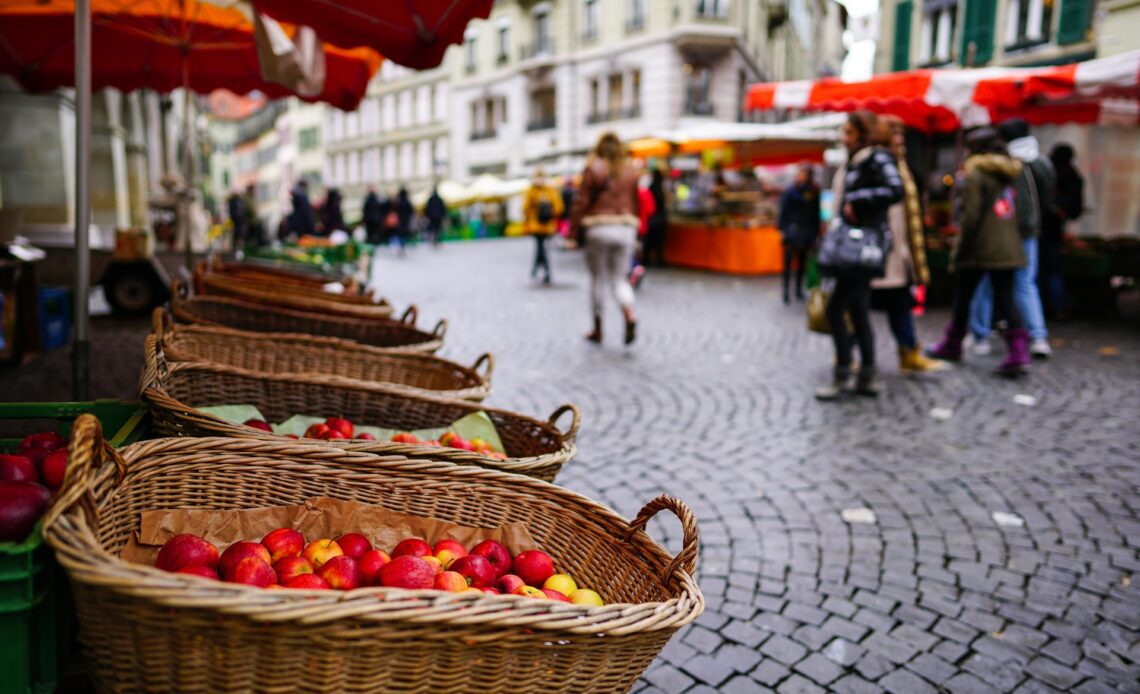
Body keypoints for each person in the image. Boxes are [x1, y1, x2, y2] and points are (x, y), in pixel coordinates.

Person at [816, 111, 904, 400]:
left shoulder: (875, 158)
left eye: (849, 133)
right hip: (856, 247)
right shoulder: (858, 160)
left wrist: (858, 199)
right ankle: (866, 374)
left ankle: (844, 374)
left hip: (860, 249)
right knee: (858, 311)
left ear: (863, 134)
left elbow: (895, 189)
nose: (844, 138)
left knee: (836, 310)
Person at [926, 128, 1029, 377]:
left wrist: (961, 246)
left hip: (980, 246)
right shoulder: (1008, 171)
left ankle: (952, 344)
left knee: (963, 297)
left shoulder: (974, 173)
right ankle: (1019, 351)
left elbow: (970, 216)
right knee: (1005, 299)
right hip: (1007, 244)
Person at [968, 118, 1056, 359]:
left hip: (1001, 231)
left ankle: (980, 335)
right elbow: (1049, 192)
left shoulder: (998, 163)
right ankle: (1038, 336)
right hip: (1030, 230)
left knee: (987, 282)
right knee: (1025, 283)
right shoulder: (1040, 161)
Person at [868, 116, 945, 375]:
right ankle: (849, 356)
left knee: (899, 303)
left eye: (901, 134)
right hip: (876, 250)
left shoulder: (897, 165)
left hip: (896, 250)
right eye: (894, 134)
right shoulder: (873, 162)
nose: (900, 139)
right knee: (859, 306)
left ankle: (908, 353)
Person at [569, 131, 641, 345]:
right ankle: (629, 314)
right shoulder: (631, 170)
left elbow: (581, 201)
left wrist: (573, 233)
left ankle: (598, 328)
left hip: (598, 227)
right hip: (625, 227)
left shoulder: (594, 168)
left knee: (597, 278)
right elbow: (636, 202)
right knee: (620, 278)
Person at [1040, 143, 1084, 320]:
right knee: (1052, 270)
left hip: (1043, 228)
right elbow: (1075, 208)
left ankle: (1045, 307)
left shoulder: (1048, 172)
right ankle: (1056, 307)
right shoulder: (1072, 176)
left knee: (1041, 270)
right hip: (1053, 229)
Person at [777, 163, 821, 303]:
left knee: (802, 262)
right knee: (788, 262)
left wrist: (815, 232)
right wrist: (782, 229)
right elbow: (783, 211)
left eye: (803, 173)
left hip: (806, 231)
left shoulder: (813, 192)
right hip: (792, 230)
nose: (800, 176)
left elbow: (815, 214)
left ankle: (798, 290)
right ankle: (786, 291)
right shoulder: (790, 191)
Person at [522, 168, 564, 284]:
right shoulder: (538, 191)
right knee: (541, 247)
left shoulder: (539, 190)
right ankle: (544, 271)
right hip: (539, 225)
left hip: (544, 225)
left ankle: (537, 270)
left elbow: (558, 208)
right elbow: (558, 208)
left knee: (541, 247)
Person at [645, 168, 669, 267]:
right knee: (658, 241)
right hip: (659, 218)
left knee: (650, 240)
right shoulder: (660, 189)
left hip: (652, 218)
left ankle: (647, 259)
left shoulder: (651, 187)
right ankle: (658, 259)